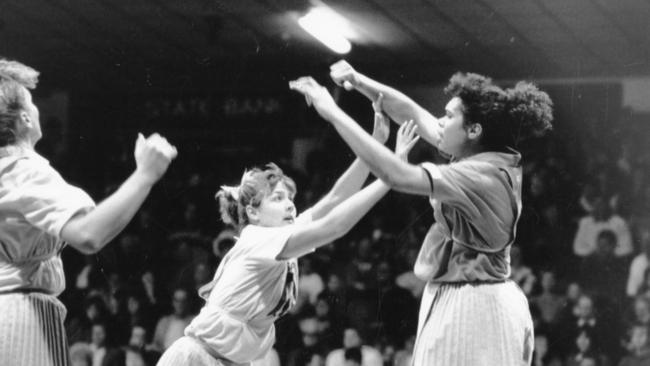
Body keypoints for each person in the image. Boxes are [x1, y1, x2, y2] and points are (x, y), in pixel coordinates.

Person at [289, 60, 553, 365]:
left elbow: (397, 175)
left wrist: (332, 112)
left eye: (449, 115)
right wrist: (359, 81)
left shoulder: (480, 177)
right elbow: (412, 114)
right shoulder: (480, 155)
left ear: (474, 130)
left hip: (477, 306)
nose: (440, 120)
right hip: (470, 296)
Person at [156, 104, 420, 365]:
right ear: (254, 213)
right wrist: (390, 175)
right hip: (196, 358)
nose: (290, 204)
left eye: (291, 198)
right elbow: (335, 226)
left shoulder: (279, 234)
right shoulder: (257, 238)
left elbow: (335, 199)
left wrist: (375, 145)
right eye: (278, 198)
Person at [0, 58, 177, 366]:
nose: (38, 108)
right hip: (20, 318)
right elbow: (89, 234)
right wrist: (145, 175)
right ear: (25, 119)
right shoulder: (22, 170)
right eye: (32, 102)